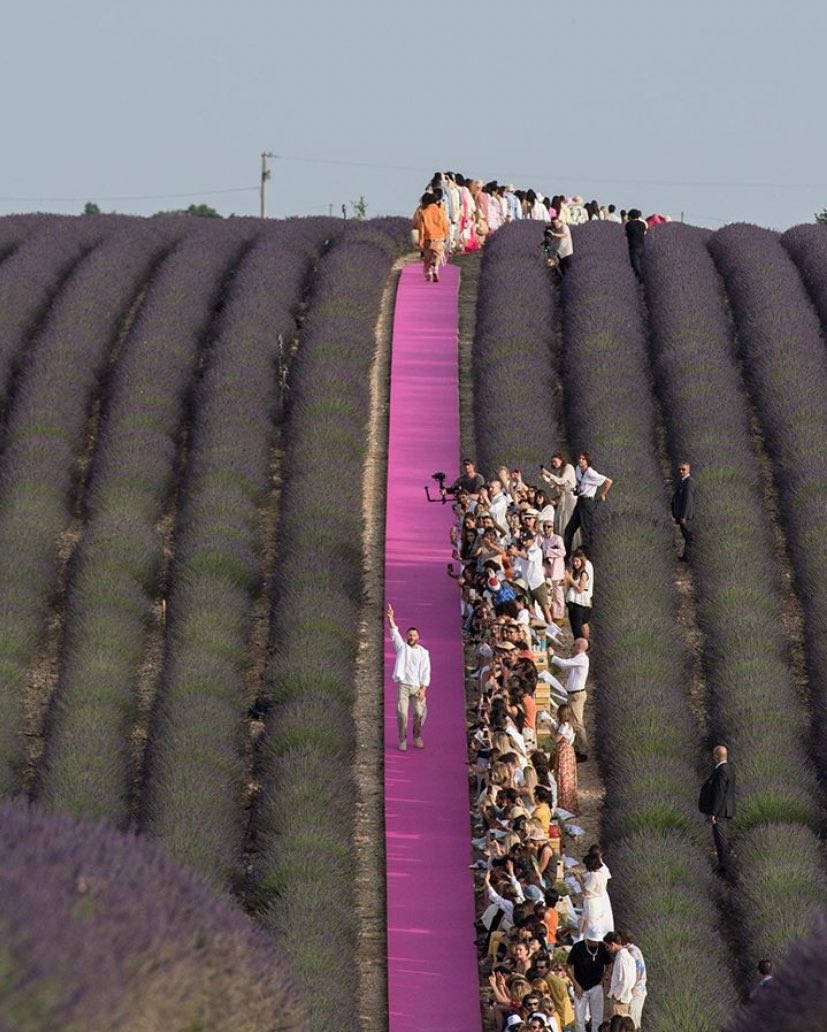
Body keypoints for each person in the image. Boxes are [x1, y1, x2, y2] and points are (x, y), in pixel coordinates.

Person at [386, 603, 431, 750]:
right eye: (409, 635)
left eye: (414, 635)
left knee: (418, 713)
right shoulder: (402, 647)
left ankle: (417, 735)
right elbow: (394, 633)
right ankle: (402, 739)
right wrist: (391, 618)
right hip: (404, 685)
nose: (412, 637)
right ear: (407, 636)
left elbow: (426, 671)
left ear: (418, 637)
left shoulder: (424, 653)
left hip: (417, 687)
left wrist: (423, 689)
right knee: (402, 714)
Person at [564, 452, 613, 556]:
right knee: (568, 530)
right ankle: (566, 556)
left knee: (586, 531)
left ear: (587, 461)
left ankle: (586, 558)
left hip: (587, 502)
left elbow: (608, 481)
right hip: (580, 500)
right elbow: (579, 483)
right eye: (579, 458)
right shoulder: (577, 469)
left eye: (583, 459)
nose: (580, 460)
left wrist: (602, 494)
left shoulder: (591, 473)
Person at [698, 744, 736, 874]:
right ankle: (724, 865)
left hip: (720, 811)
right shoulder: (729, 768)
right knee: (722, 838)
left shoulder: (721, 771)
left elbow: (719, 793)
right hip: (726, 810)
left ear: (716, 756)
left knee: (721, 840)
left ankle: (724, 867)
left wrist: (713, 813)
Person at [549, 637, 590, 758]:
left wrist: (553, 656)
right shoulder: (578, 658)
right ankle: (577, 748)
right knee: (572, 721)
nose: (571, 647)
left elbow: (564, 664)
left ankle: (583, 750)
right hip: (573, 694)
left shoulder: (582, 659)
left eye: (574, 645)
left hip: (577, 695)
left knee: (577, 723)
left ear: (578, 647)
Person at [566, 928, 610, 1032]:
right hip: (580, 987)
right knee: (579, 1018)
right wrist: (575, 984)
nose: (596, 943)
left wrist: (602, 980)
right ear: (588, 939)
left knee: (597, 1018)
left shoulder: (602, 947)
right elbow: (568, 966)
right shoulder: (578, 947)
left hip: (597, 986)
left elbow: (609, 965)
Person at [577, 849, 614, 940]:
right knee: (591, 922)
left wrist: (579, 881)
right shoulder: (600, 874)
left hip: (591, 902)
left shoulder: (594, 875)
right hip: (597, 900)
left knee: (591, 924)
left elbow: (586, 891)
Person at [417, 192, 450, 283]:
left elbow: (422, 228)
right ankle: (435, 268)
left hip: (428, 239)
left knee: (427, 258)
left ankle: (428, 274)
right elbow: (445, 224)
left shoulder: (424, 212)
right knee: (437, 256)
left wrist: (421, 240)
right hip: (439, 238)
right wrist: (446, 235)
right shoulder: (440, 211)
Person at [603, 932, 637, 1019]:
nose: (607, 949)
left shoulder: (622, 958)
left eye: (608, 946)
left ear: (613, 944)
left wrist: (616, 995)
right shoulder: (627, 956)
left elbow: (625, 981)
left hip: (620, 1000)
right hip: (623, 997)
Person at [618, 929, 646, 1028]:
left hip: (637, 992)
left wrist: (632, 986)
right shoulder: (630, 951)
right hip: (634, 992)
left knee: (633, 1022)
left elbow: (639, 971)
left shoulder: (633, 952)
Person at [563, 549, 593, 641]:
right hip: (572, 600)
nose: (575, 563)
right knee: (575, 625)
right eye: (574, 561)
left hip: (580, 602)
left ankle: (582, 644)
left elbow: (580, 589)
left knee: (578, 626)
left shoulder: (584, 574)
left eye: (577, 561)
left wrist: (570, 579)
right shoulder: (575, 572)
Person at [553, 703, 578, 813]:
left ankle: (565, 805)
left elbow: (556, 739)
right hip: (569, 752)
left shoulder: (564, 726)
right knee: (568, 776)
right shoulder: (570, 725)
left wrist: (550, 727)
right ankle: (569, 803)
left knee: (563, 776)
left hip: (564, 752)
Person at [671, 461, 696, 561]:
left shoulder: (689, 482)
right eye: (680, 469)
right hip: (681, 515)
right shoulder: (682, 481)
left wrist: (684, 516)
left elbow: (688, 500)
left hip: (686, 516)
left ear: (688, 470)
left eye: (683, 469)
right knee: (686, 537)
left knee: (689, 537)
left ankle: (689, 558)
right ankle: (686, 557)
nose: (681, 471)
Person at [624, 209, 647, 280]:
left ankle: (641, 280)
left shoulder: (628, 224)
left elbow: (627, 234)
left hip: (633, 247)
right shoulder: (642, 224)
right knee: (641, 265)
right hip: (642, 246)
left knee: (635, 266)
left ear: (630, 216)